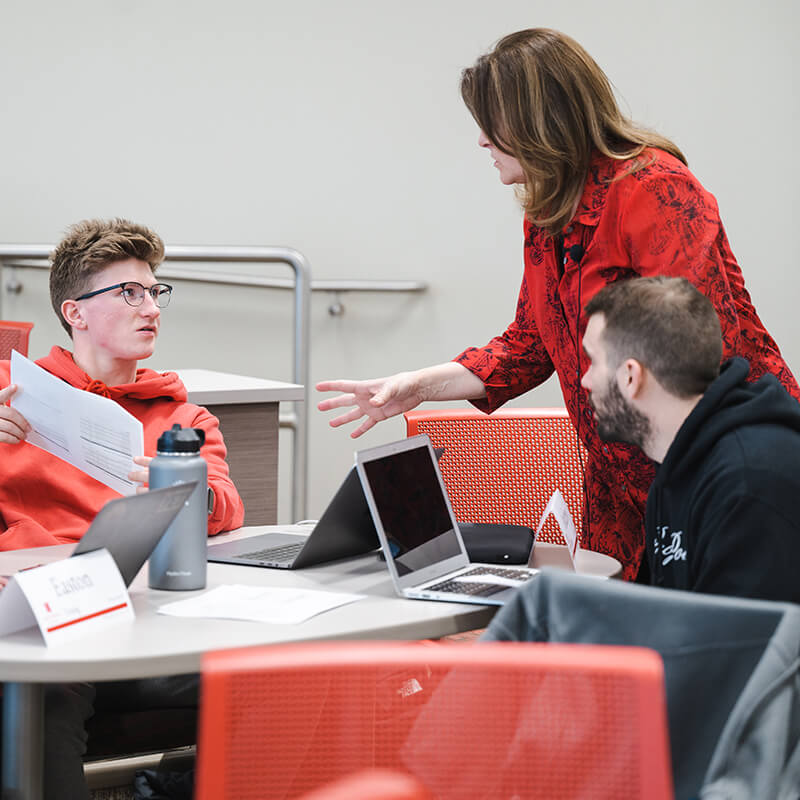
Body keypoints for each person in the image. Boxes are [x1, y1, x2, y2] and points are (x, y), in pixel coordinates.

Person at [316, 28, 799, 581]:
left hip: (713, 469)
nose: (480, 141)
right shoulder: (549, 211)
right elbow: (528, 344)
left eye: (490, 123)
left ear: (535, 122)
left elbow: (694, 351)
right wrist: (417, 388)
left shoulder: (655, 189)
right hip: (620, 486)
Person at [0, 218, 245, 798]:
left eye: (155, 291)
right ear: (76, 312)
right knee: (44, 692)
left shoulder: (183, 418)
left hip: (145, 623)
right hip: (44, 621)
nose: (151, 307)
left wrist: (185, 494)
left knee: (281, 670)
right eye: (128, 293)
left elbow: (227, 506)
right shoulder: (11, 395)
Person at [580, 275, 800, 602]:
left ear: (630, 376)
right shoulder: (678, 463)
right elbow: (666, 617)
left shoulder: (749, 483)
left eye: (593, 362)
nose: (585, 381)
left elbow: (737, 647)